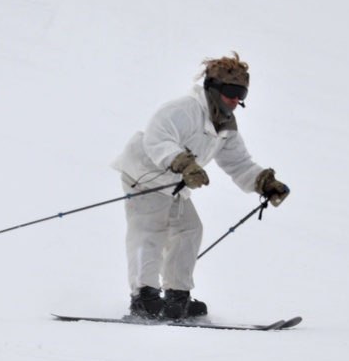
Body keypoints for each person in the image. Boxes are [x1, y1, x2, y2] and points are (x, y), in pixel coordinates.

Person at [110, 52, 290, 320]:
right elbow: (158, 139)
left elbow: (238, 162)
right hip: (146, 174)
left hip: (175, 184)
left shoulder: (225, 124)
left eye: (242, 93)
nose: (236, 98)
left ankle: (177, 296)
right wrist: (183, 163)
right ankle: (143, 298)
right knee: (149, 231)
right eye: (231, 90)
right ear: (213, 88)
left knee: (189, 228)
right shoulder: (183, 110)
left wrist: (263, 182)